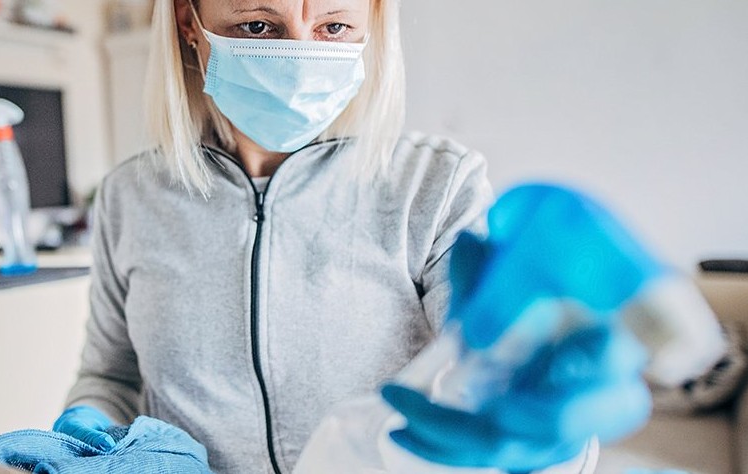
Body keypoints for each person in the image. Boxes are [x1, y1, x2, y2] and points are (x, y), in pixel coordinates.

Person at [51, 0, 637, 472]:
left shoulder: (434, 185)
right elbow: (111, 375)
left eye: (334, 26)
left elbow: (492, 369)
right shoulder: (131, 196)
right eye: (258, 25)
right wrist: (87, 434)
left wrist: (543, 431)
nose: (302, 55)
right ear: (189, 21)